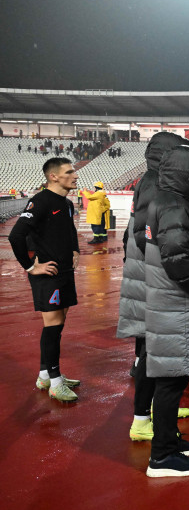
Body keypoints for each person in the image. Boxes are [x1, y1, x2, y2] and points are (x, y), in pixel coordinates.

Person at [144, 145, 189, 477]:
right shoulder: (174, 205)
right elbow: (177, 259)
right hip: (178, 303)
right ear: (186, 173)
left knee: (172, 378)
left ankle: (169, 441)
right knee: (171, 381)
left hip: (172, 303)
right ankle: (161, 457)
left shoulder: (170, 201)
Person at [118, 133, 189, 440]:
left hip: (147, 278)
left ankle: (156, 411)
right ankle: (141, 420)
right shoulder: (155, 183)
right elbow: (146, 234)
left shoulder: (153, 180)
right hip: (152, 282)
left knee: (155, 352)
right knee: (152, 353)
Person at [8, 157, 81, 402]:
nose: (75, 175)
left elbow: (69, 229)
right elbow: (16, 236)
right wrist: (30, 267)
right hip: (47, 274)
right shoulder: (39, 201)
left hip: (64, 272)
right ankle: (56, 381)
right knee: (52, 326)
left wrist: (75, 250)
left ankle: (45, 375)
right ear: (54, 176)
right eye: (70, 172)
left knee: (58, 325)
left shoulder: (67, 203)